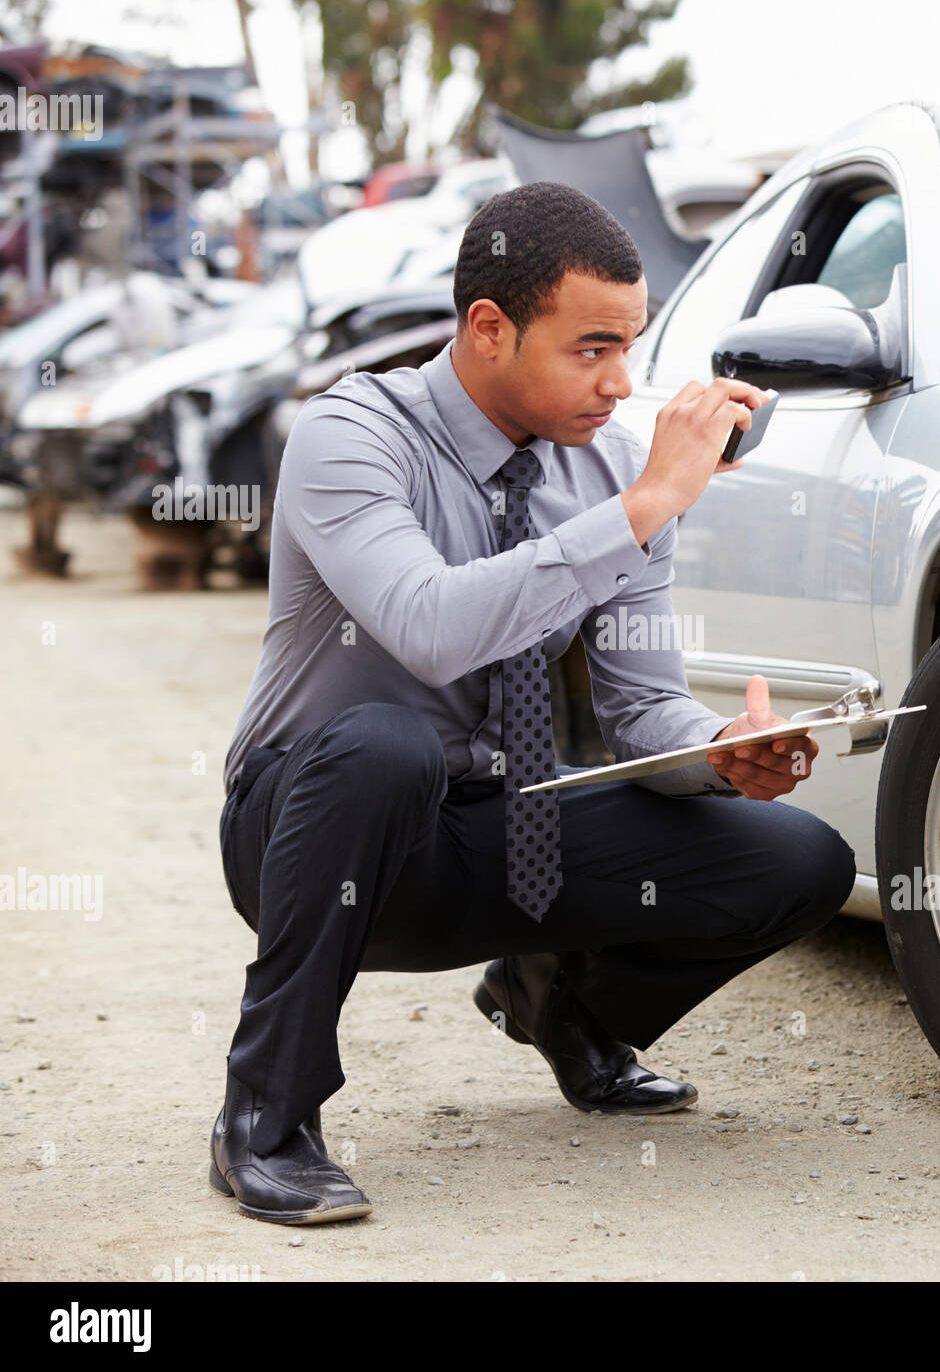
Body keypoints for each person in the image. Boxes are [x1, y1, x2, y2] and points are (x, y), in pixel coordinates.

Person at [210, 180, 859, 1226]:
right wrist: (641, 508)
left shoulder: (607, 467)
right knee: (387, 745)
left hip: (498, 832)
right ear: (489, 329)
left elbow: (644, 712)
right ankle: (264, 1120)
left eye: (630, 347)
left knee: (799, 859)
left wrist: (724, 748)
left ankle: (557, 1001)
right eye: (590, 348)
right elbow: (429, 628)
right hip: (315, 834)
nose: (619, 382)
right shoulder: (352, 436)